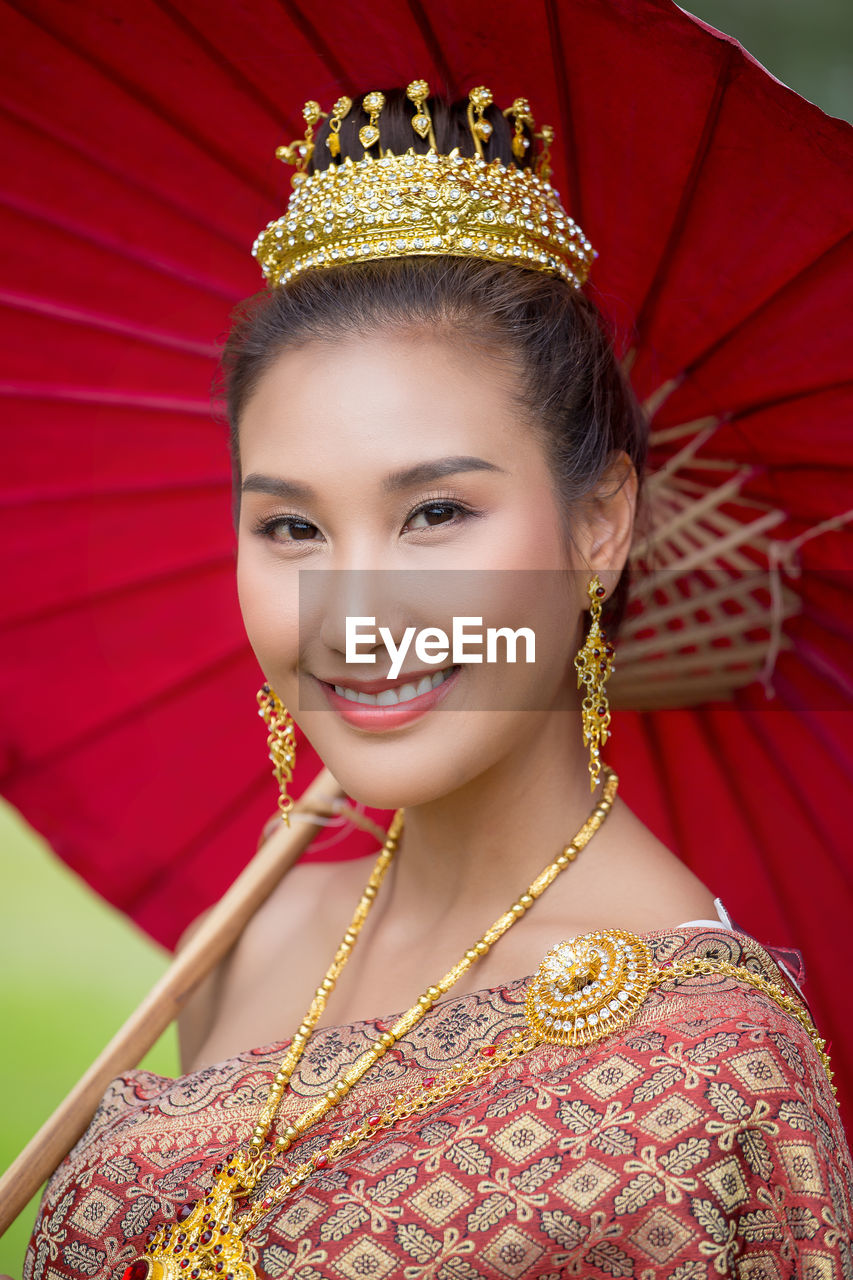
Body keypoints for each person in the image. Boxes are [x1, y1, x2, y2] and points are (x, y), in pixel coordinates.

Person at [24, 85, 852, 1280]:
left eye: (435, 512)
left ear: (601, 521)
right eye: (292, 528)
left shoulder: (713, 1073)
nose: (354, 613)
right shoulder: (254, 938)